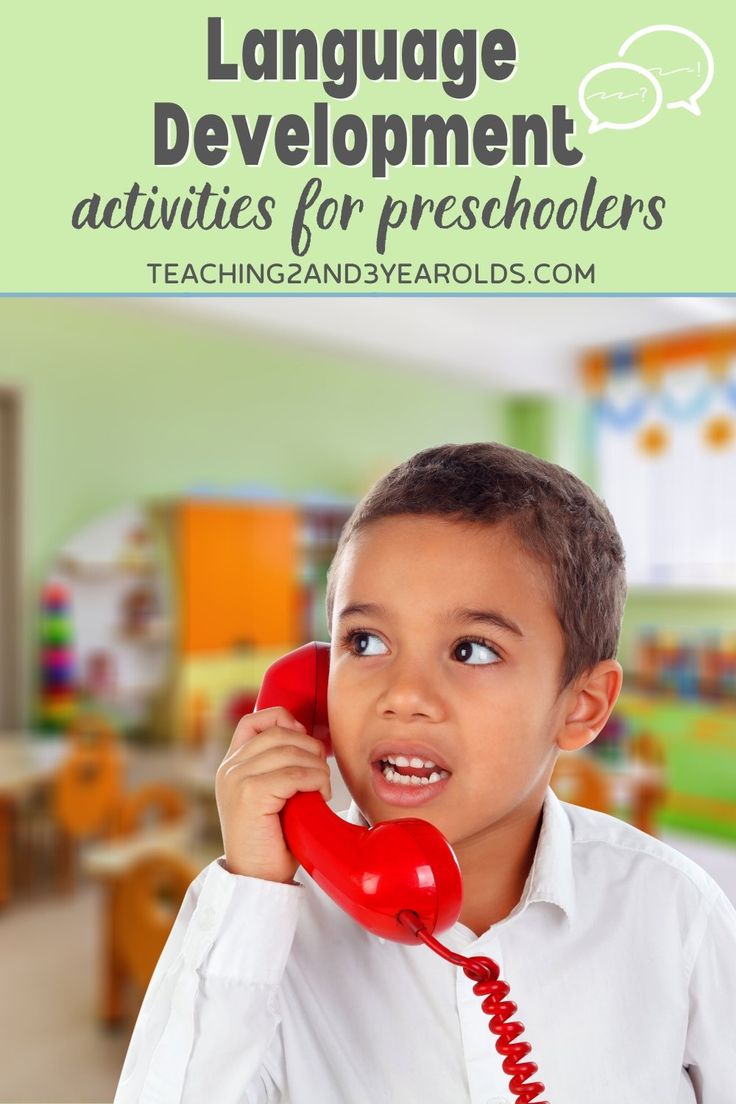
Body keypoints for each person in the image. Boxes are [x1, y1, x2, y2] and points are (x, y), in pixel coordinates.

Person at [115, 442, 736, 1104]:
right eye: (366, 642)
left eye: (471, 650)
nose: (404, 694)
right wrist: (255, 896)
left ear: (581, 707)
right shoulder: (253, 931)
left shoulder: (675, 914)